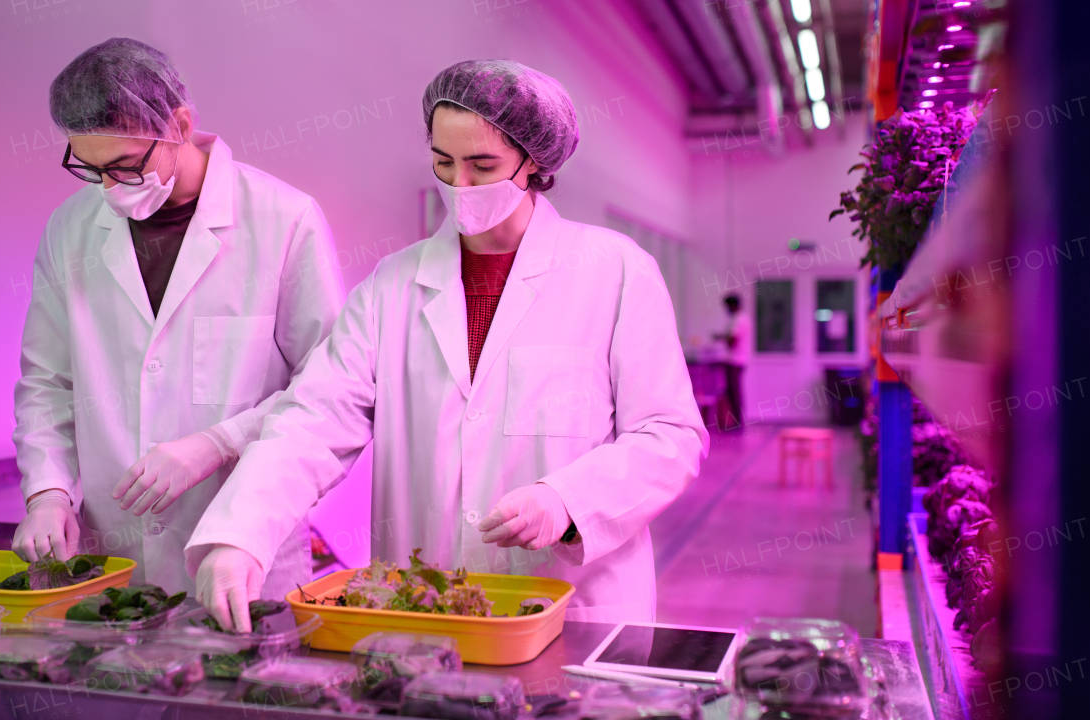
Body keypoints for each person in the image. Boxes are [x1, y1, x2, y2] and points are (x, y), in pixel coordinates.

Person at [186, 60, 709, 632]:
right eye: (443, 162)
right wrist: (240, 534)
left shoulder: (616, 270)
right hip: (427, 606)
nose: (457, 185)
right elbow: (316, 415)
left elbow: (670, 435)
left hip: (572, 605)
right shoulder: (393, 284)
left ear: (533, 160)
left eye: (482, 166)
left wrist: (568, 501)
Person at [11, 38, 346, 598]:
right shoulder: (70, 228)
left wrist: (218, 442)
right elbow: (47, 382)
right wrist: (46, 494)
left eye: (125, 165)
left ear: (181, 124)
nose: (111, 190)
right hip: (113, 558)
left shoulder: (283, 219)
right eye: (92, 171)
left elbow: (330, 391)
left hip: (241, 546)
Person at [717, 293, 751, 429]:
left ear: (732, 305)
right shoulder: (742, 318)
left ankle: (737, 422)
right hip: (739, 360)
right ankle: (736, 421)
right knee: (733, 392)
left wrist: (723, 338)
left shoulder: (738, 320)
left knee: (734, 393)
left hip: (735, 361)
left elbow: (733, 340)